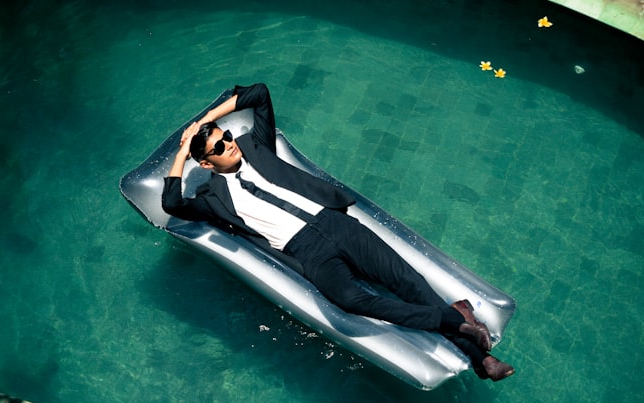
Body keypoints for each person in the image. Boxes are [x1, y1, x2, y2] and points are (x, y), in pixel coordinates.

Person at [161, 83, 514, 381]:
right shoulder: (211, 198)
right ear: (206, 163)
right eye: (219, 147)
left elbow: (259, 93)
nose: (229, 143)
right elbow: (172, 202)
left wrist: (205, 121)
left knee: (409, 282)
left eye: (226, 136)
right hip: (308, 250)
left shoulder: (256, 146)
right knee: (348, 300)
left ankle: (480, 360)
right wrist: (182, 150)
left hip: (335, 222)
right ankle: (454, 318)